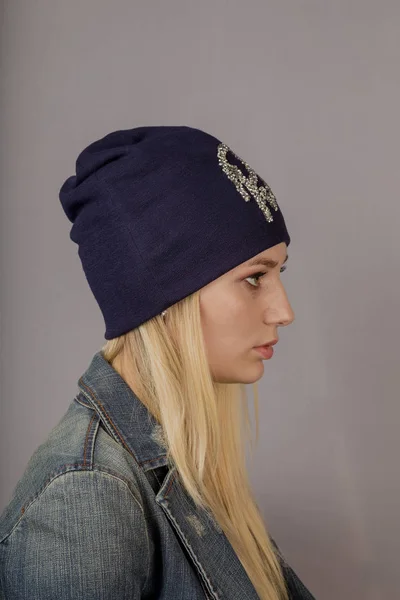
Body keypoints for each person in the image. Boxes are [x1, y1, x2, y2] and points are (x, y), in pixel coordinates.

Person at [0, 126, 316, 599]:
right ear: (165, 297)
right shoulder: (86, 496)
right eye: (255, 278)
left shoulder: (182, 460)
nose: (284, 311)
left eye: (279, 272)